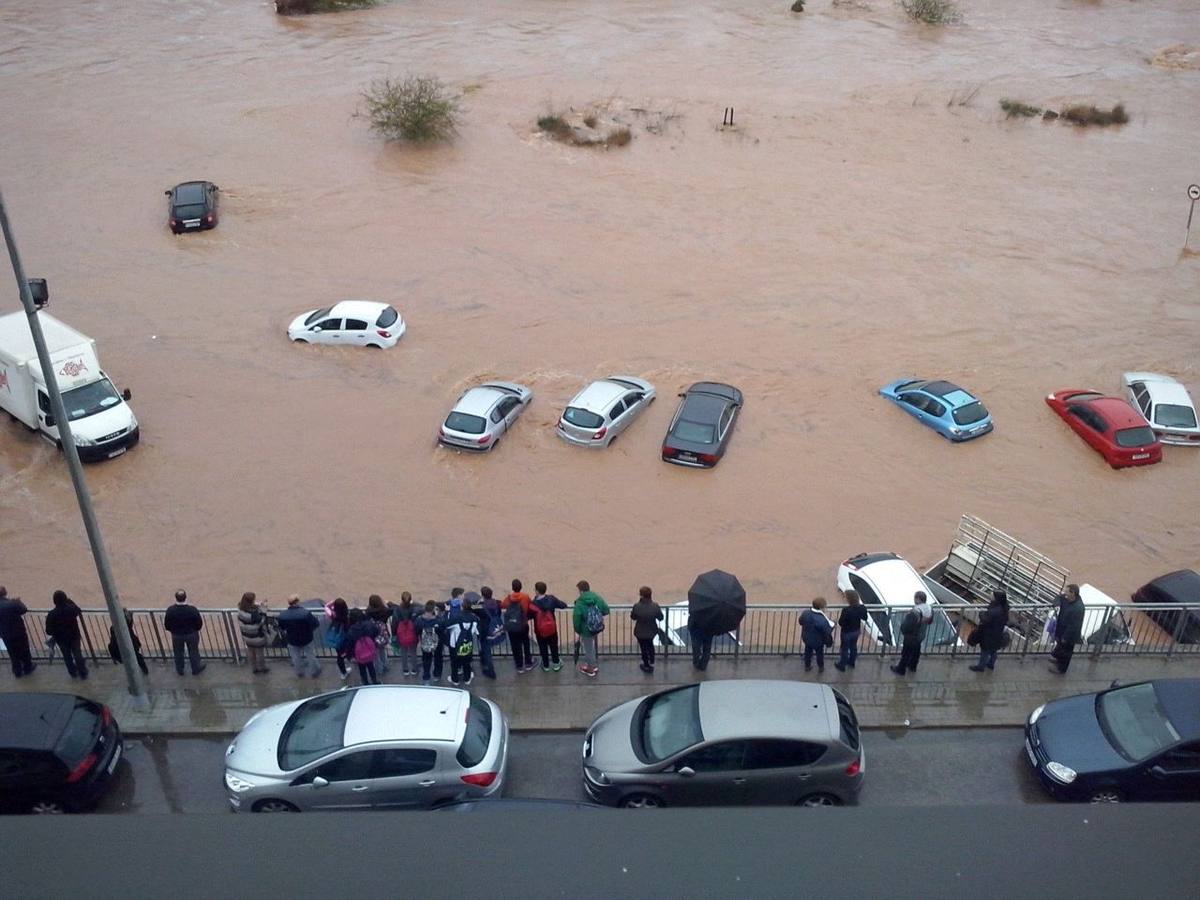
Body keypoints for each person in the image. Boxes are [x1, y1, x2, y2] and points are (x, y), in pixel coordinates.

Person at [45, 590, 88, 680]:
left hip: (61, 639)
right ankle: (83, 672)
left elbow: (48, 631)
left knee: (67, 657)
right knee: (77, 654)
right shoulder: (71, 609)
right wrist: (71, 602)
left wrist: (56, 632)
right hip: (74, 636)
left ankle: (72, 672)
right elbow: (78, 610)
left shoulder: (51, 614)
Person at [163, 589, 206, 676]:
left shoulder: (170, 610)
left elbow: (167, 624)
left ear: (176, 598)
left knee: (178, 652)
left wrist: (173, 631)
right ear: (185, 597)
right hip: (191, 634)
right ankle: (196, 669)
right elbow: (199, 623)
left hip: (176, 635)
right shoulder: (192, 610)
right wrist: (195, 630)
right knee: (193, 651)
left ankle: (180, 670)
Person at [277, 595, 321, 678]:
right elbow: (316, 624)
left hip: (292, 639)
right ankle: (315, 671)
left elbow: (281, 627)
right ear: (297, 602)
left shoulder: (283, 615)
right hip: (306, 638)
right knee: (310, 655)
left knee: (295, 657)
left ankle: (299, 672)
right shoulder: (305, 613)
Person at [573, 580, 609, 678]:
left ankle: (590, 669)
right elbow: (606, 610)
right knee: (592, 647)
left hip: (586, 629)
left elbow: (577, 619)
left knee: (588, 649)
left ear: (580, 591)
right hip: (596, 627)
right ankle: (594, 664)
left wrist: (578, 630)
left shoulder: (579, 602)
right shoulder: (597, 598)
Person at [891, 591, 932, 676]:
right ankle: (913, 666)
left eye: (915, 598)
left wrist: (903, 630)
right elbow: (930, 621)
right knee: (916, 651)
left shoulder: (915, 611)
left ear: (918, 599)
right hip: (921, 635)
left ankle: (901, 669)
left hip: (911, 636)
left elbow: (906, 626)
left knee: (906, 653)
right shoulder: (929, 608)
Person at [442, 595, 478, 686]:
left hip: (455, 644)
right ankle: (467, 678)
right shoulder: (474, 618)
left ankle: (455, 680)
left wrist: (447, 612)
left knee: (454, 662)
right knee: (467, 661)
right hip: (467, 643)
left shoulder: (456, 618)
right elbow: (475, 631)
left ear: (462, 607)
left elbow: (446, 625)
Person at [532, 581, 568, 672]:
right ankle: (556, 664)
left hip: (539, 630)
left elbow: (529, 615)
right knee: (554, 646)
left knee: (543, 647)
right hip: (552, 629)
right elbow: (563, 605)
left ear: (537, 591)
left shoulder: (533, 603)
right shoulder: (551, 599)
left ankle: (546, 665)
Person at [970, 591, 1010, 672]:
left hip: (989, 633)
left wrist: (981, 613)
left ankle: (980, 667)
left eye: (993, 595)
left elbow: (985, 619)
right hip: (997, 632)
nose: (990, 595)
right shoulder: (1004, 608)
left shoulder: (995, 610)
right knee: (993, 649)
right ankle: (991, 664)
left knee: (985, 650)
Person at [0, 586, 35, 678]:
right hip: (18, 632)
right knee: (24, 650)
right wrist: (18, 602)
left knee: (12, 653)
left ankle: (17, 671)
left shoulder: (10, 603)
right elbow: (24, 610)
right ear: (4, 593)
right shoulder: (12, 603)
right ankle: (28, 667)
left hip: (6, 634)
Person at [1050, 584, 1085, 674]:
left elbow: (1074, 626)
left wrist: (1065, 637)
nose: (1065, 594)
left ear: (1072, 593)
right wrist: (1056, 604)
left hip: (1070, 635)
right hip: (1062, 629)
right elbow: (1058, 598)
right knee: (1061, 647)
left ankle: (1061, 669)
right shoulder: (1066, 599)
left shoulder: (1078, 608)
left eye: (1067, 592)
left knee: (1066, 652)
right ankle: (1058, 660)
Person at [502, 579, 535, 673]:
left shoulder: (509, 598)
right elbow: (531, 605)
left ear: (512, 588)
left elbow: (503, 605)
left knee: (515, 646)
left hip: (512, 626)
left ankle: (519, 666)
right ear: (521, 587)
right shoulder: (525, 597)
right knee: (526, 644)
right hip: (523, 624)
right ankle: (528, 663)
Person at [630, 586, 664, 674]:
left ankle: (646, 664)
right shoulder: (655, 606)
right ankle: (651, 660)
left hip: (640, 632)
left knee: (643, 648)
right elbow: (661, 618)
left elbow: (633, 617)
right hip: (652, 631)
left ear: (641, 596)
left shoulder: (637, 606)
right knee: (650, 645)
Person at [432, 588, 462, 683]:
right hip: (450, 636)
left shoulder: (437, 617)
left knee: (438, 656)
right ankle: (458, 668)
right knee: (454, 654)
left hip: (441, 637)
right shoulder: (457, 608)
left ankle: (437, 674)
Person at [834, 589, 868, 672]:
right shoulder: (862, 607)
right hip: (856, 630)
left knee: (844, 649)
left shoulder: (846, 610)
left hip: (846, 632)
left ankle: (842, 665)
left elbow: (841, 622)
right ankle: (851, 662)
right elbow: (865, 617)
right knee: (853, 646)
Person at [108, 608, 150, 676]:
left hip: (118, 651)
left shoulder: (114, 627)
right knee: (139, 660)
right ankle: (143, 674)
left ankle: (137, 675)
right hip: (127, 650)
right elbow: (134, 641)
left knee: (134, 662)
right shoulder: (126, 630)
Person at [236, 592, 269, 674]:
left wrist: (259, 604)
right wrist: (264, 609)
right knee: (260, 653)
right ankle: (263, 667)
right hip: (256, 636)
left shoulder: (240, 609)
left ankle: (254, 668)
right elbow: (262, 621)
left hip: (246, 635)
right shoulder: (253, 613)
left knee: (251, 652)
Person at [799, 597, 834, 673]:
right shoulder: (822, 620)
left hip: (807, 638)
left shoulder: (806, 613)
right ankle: (821, 667)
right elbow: (827, 631)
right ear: (822, 608)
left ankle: (807, 666)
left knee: (807, 652)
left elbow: (800, 622)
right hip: (818, 641)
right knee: (819, 654)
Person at [475, 587, 503, 679]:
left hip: (484, 630)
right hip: (495, 628)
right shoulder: (497, 603)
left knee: (486, 649)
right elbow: (498, 614)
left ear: (483, 595)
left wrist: (479, 602)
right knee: (486, 648)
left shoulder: (480, 606)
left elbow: (471, 609)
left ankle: (491, 672)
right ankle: (483, 658)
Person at [346, 609, 381, 685]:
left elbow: (349, 644)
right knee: (371, 666)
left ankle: (365, 683)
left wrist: (349, 656)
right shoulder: (369, 624)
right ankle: (374, 681)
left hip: (358, 654)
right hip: (369, 649)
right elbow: (377, 631)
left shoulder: (351, 630)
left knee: (362, 669)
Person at [391, 592, 420, 677]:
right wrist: (414, 602)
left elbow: (394, 624)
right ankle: (414, 669)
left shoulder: (397, 610)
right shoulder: (415, 608)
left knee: (403, 653)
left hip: (402, 635)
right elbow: (423, 607)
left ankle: (405, 670)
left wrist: (394, 635)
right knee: (413, 653)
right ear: (411, 599)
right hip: (413, 634)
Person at [325, 597, 352, 680]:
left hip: (338, 639)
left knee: (340, 656)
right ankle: (350, 658)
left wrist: (333, 602)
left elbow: (326, 607)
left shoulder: (333, 615)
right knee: (346, 652)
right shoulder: (348, 615)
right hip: (346, 639)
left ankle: (343, 672)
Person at [416, 600, 441, 685]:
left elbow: (416, 630)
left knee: (426, 660)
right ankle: (437, 675)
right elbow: (443, 628)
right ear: (433, 610)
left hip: (425, 643)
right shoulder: (438, 620)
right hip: (437, 643)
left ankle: (426, 677)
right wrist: (438, 616)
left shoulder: (419, 620)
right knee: (438, 658)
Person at [366, 594, 392, 675]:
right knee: (383, 651)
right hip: (383, 634)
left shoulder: (368, 612)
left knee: (375, 654)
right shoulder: (384, 611)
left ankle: (379, 670)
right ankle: (385, 666)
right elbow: (395, 608)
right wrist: (389, 603)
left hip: (373, 635)